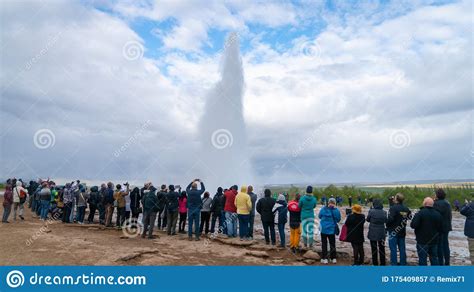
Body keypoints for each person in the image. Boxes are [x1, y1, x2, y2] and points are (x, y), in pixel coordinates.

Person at [410, 197, 442, 266]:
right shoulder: (438, 214)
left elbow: (413, 225)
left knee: (422, 259)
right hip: (434, 240)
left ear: (425, 203)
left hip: (422, 241)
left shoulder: (420, 213)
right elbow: (440, 227)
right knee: (434, 258)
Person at [386, 193, 411, 265]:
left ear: (396, 199)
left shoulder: (393, 208)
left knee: (393, 249)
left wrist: (387, 226)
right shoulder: (406, 208)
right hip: (402, 230)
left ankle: (394, 264)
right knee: (402, 249)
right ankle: (403, 263)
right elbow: (409, 217)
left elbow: (390, 219)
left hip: (393, 231)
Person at [319, 197, 341, 264]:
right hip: (331, 229)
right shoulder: (336, 210)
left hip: (323, 229)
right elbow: (338, 219)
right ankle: (333, 258)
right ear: (334, 203)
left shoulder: (323, 209)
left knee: (324, 244)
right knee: (332, 244)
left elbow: (319, 216)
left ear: (328, 202)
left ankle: (324, 258)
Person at [433, 188, 452, 265]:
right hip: (447, 226)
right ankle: (447, 262)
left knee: (439, 245)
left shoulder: (435, 203)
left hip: (438, 228)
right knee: (446, 245)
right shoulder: (447, 203)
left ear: (437, 195)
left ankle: (441, 262)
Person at [367, 199, 387, 265]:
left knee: (374, 249)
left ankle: (375, 263)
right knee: (382, 249)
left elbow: (368, 219)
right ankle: (383, 263)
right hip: (381, 232)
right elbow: (385, 221)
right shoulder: (384, 212)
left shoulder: (371, 211)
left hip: (373, 232)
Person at [460, 199, 474, 265]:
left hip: (471, 232)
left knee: (472, 250)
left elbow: (462, 211)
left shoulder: (470, 205)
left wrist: (466, 204)